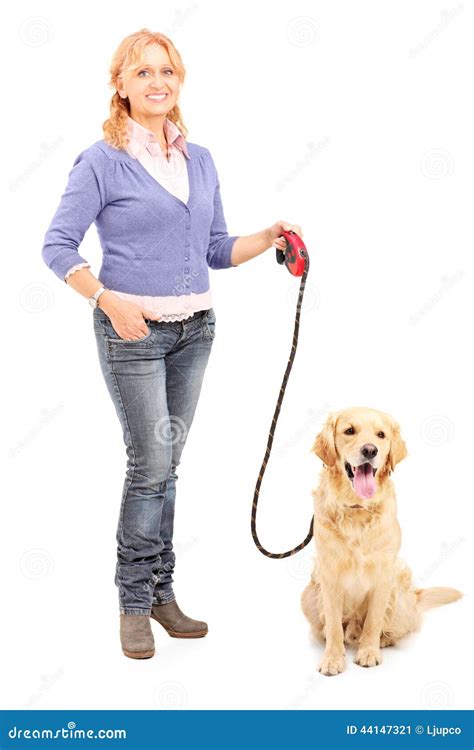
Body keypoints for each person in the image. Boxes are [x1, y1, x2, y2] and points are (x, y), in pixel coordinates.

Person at [41, 28, 303, 660]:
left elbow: (214, 249)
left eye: (168, 72)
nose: (158, 83)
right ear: (121, 86)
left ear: (179, 83)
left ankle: (163, 594)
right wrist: (107, 298)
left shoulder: (201, 159)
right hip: (132, 332)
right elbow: (56, 248)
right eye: (143, 73)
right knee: (150, 466)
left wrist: (265, 236)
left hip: (196, 331)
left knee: (169, 466)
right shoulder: (100, 160)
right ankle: (133, 602)